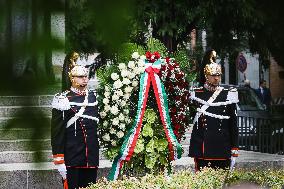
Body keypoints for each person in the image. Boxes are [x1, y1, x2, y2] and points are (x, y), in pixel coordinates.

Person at [188, 53, 239, 172]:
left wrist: (234, 148)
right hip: (202, 147)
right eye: (213, 75)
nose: (217, 78)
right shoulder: (196, 94)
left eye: (218, 75)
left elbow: (233, 124)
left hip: (223, 146)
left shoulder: (228, 95)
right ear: (206, 76)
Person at [51, 64, 100, 189]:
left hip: (90, 156)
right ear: (72, 79)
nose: (85, 79)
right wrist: (59, 160)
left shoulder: (93, 96)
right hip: (72, 157)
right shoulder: (63, 100)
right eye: (80, 76)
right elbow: (57, 133)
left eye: (86, 76)